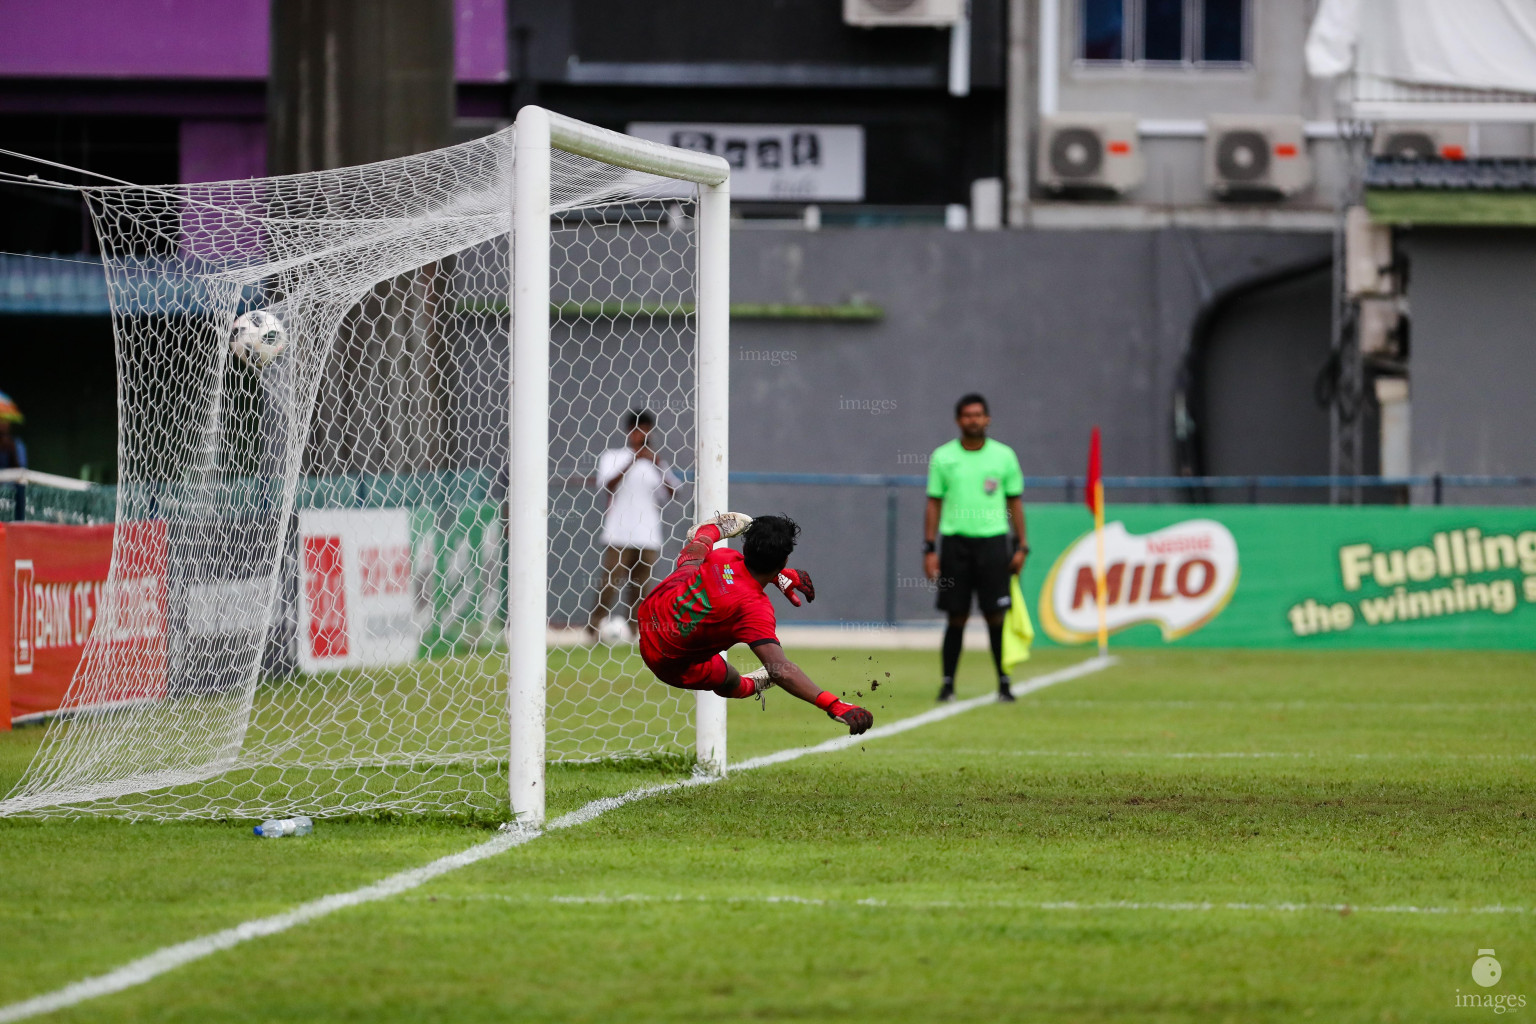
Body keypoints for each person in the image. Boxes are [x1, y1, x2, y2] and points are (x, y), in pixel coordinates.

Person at [636, 511, 873, 736]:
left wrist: (779, 576)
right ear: (785, 559)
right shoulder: (754, 610)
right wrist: (833, 704)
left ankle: (708, 531)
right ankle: (754, 684)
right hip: (665, 659)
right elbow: (779, 668)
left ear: (745, 547)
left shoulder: (723, 557)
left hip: (652, 610)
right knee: (729, 679)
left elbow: (738, 577)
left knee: (693, 561)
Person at [923, 393, 1028, 702]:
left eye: (978, 414)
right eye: (967, 415)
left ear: (988, 418)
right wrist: (929, 548)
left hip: (994, 543)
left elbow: (1014, 501)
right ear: (959, 421)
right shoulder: (943, 457)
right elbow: (933, 502)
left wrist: (1021, 545)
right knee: (956, 615)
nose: (973, 420)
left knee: (997, 615)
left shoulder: (1004, 456)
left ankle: (1004, 683)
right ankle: (947, 683)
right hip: (955, 544)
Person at [588, 409, 684, 640]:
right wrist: (632, 461)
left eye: (646, 429)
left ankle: (635, 633)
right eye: (637, 429)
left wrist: (657, 464)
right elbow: (607, 486)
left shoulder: (657, 462)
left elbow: (674, 492)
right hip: (618, 534)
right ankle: (594, 629)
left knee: (641, 589)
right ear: (629, 431)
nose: (642, 434)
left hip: (648, 535)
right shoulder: (612, 456)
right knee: (609, 584)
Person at [0, 390, 27, 470]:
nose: (4, 424)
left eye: (6, 420)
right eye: (1, 420)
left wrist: (12, 451)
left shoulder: (17, 444)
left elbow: (21, 474)